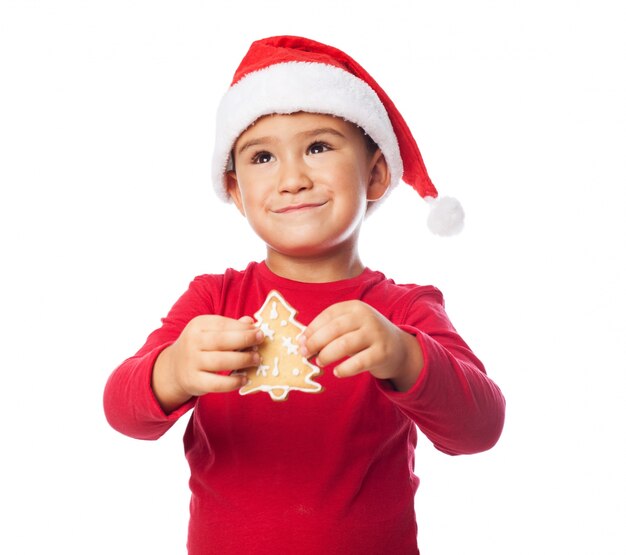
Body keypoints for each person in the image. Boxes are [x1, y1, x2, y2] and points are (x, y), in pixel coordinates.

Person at [103, 35, 505, 555]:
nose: (291, 179)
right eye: (262, 157)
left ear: (377, 174)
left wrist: (406, 354)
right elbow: (121, 410)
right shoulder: (212, 299)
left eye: (318, 147)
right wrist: (173, 370)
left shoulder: (403, 311)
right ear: (235, 192)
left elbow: (481, 428)